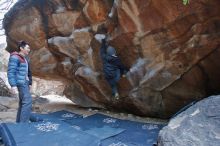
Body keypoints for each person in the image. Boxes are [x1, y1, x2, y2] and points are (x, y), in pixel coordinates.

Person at [7, 41, 32, 122]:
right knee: (27, 102)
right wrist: (13, 85)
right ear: (21, 48)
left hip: (25, 83)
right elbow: (11, 71)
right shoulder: (15, 57)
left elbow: (28, 72)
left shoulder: (24, 59)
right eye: (27, 48)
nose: (29, 49)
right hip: (21, 83)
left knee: (22, 103)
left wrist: (30, 83)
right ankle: (23, 125)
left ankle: (19, 123)